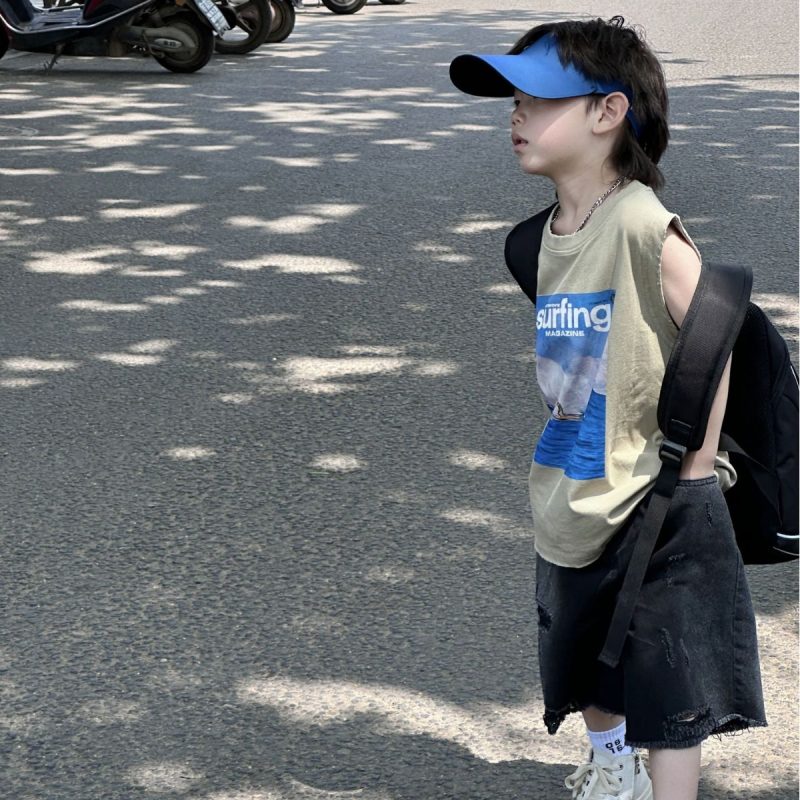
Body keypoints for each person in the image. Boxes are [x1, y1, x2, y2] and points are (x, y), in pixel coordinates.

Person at [449, 17, 766, 800]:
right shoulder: (546, 235)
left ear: (608, 112)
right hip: (572, 482)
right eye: (514, 101)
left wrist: (695, 469)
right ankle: (613, 768)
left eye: (537, 100)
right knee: (587, 652)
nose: (517, 114)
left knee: (669, 677)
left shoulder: (639, 223)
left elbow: (716, 328)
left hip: (656, 496)